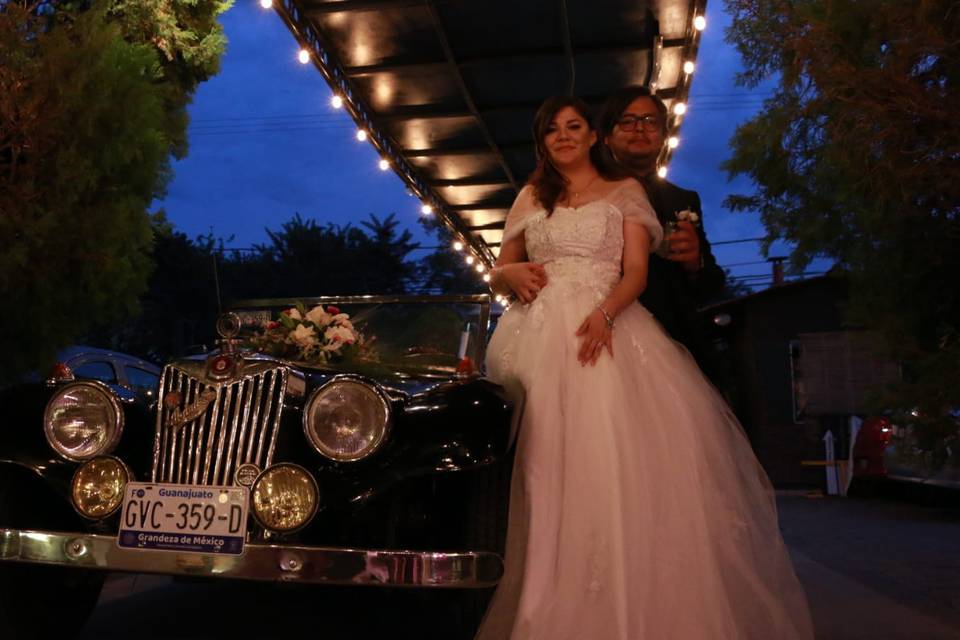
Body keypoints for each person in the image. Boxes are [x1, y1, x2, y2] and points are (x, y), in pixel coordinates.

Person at [478, 95, 813, 639]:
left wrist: (605, 314)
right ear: (542, 143)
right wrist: (509, 276)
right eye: (551, 131)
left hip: (604, 330)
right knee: (540, 465)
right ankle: (542, 590)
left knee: (608, 460)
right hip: (536, 340)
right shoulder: (529, 197)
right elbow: (500, 267)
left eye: (574, 126)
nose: (563, 137)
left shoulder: (626, 193)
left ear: (593, 136)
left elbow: (635, 272)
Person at [598, 86, 726, 381]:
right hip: (606, 334)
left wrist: (696, 262)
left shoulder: (684, 200)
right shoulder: (587, 197)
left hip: (673, 340)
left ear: (663, 135)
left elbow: (712, 285)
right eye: (628, 121)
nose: (640, 128)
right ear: (606, 137)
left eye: (650, 121)